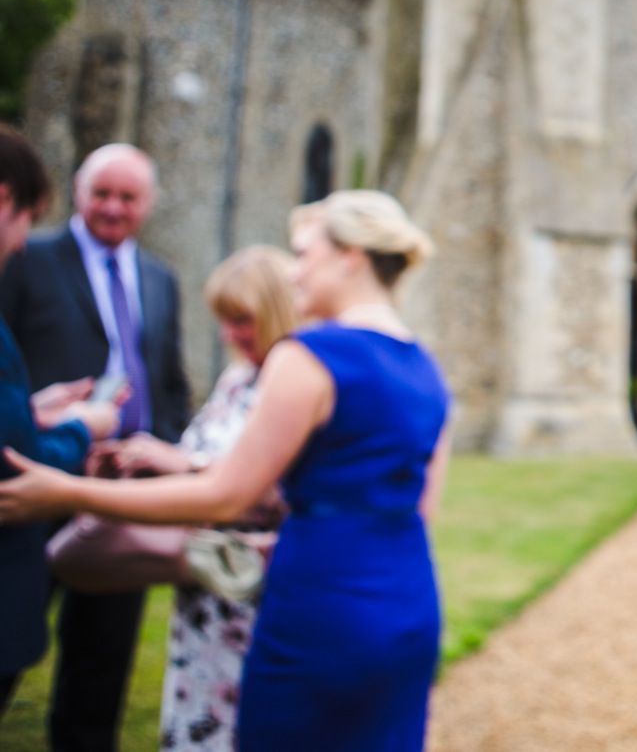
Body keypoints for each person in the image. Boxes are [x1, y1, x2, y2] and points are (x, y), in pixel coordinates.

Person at [0, 190, 452, 750]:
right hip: (407, 601)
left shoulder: (310, 355)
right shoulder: (427, 369)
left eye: (303, 254)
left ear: (350, 257)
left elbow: (223, 496)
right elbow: (420, 512)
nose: (294, 273)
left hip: (322, 601)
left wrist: (67, 490)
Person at [0, 142, 191, 751]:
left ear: (149, 203)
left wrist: (164, 458)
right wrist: (55, 421)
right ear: (78, 194)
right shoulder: (27, 256)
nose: (113, 207)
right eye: (101, 193)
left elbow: (167, 380)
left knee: (103, 662)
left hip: (122, 493)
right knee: (11, 643)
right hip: (33, 483)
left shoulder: (161, 278)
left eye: (127, 197)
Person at [90, 246, 297, 750]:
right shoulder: (236, 380)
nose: (230, 335)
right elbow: (195, 460)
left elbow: (282, 488)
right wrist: (143, 463)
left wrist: (185, 466)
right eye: (224, 321)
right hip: (204, 601)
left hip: (256, 600)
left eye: (242, 320)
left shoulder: (295, 384)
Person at [0, 127, 123, 717]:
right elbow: (13, 473)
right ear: (4, 202)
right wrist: (83, 427)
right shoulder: (31, 266)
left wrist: (28, 410)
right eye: (27, 217)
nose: (22, 243)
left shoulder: (157, 276)